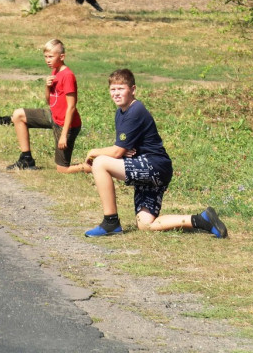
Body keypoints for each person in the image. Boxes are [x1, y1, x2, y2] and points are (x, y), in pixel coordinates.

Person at [80, 68, 227, 239]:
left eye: (121, 88)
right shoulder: (121, 113)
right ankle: (201, 220)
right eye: (113, 89)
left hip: (154, 166)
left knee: (100, 163)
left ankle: (110, 222)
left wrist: (94, 152)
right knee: (145, 224)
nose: (116, 93)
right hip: (150, 168)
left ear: (133, 90)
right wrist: (123, 151)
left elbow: (117, 151)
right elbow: (123, 149)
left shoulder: (136, 110)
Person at [7, 39, 82, 172]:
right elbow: (49, 101)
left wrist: (64, 135)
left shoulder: (68, 76)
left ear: (62, 56)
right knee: (18, 115)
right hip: (53, 116)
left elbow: (71, 107)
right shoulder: (55, 71)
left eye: (51, 57)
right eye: (46, 57)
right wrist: (47, 87)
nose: (47, 60)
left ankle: (90, 166)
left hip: (66, 125)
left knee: (62, 169)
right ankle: (26, 159)